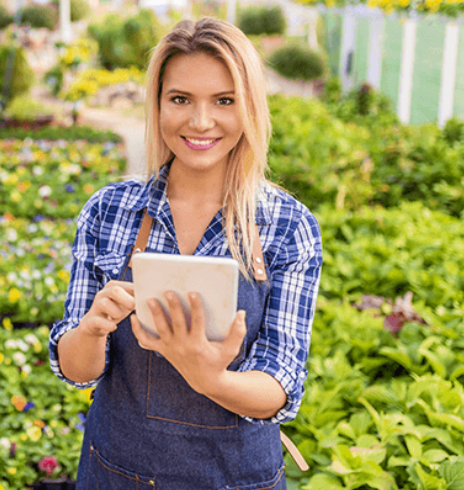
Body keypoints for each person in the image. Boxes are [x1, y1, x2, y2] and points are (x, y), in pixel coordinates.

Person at [49, 17, 323, 489]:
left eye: (224, 101)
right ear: (157, 105)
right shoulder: (110, 211)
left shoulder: (287, 226)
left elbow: (281, 386)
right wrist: (91, 330)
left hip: (236, 477)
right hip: (117, 473)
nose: (200, 122)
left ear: (250, 109)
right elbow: (75, 370)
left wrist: (210, 379)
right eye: (180, 99)